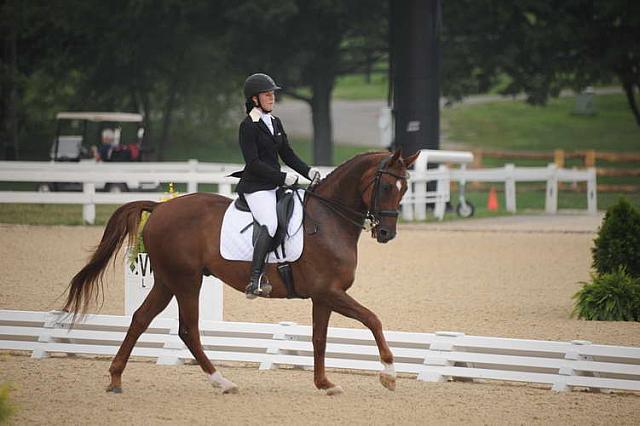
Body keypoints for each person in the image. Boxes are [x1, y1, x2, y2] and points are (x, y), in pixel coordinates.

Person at [236, 73, 321, 299]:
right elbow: (253, 164)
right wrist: (281, 178)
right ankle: (254, 279)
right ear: (255, 99)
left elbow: (287, 154)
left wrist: (308, 171)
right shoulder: (248, 126)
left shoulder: (274, 122)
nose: (272, 98)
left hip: (274, 184)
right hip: (257, 187)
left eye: (273, 94)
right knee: (271, 223)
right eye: (267, 94)